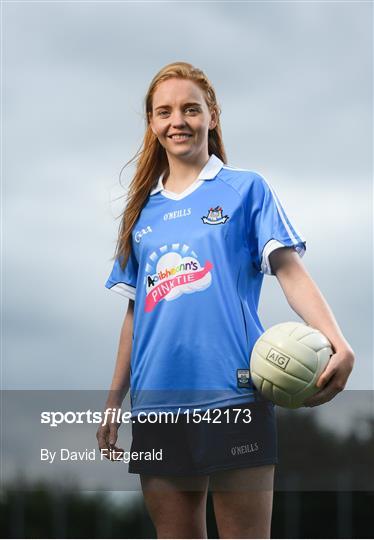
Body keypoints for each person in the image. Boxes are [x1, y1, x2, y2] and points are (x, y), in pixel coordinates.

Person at [96, 61, 355, 539]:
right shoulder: (142, 214)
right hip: (157, 405)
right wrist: (114, 402)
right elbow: (136, 314)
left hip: (234, 395)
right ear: (152, 124)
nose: (179, 121)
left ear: (211, 115)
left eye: (190, 109)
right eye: (165, 112)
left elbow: (289, 272)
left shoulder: (245, 190)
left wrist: (338, 342)